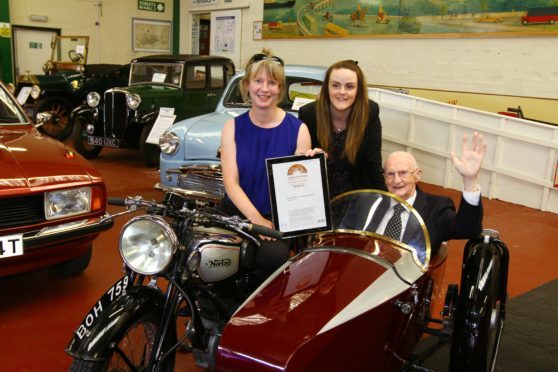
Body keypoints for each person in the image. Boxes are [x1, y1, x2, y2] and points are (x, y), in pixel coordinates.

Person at [220, 49, 312, 284]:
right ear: (247, 85)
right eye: (258, 81)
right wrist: (255, 221)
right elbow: (231, 182)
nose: (264, 89)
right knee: (208, 252)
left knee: (274, 258)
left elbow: (299, 188)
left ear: (280, 88)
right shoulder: (232, 127)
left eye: (272, 83)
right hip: (237, 214)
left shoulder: (298, 129)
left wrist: (312, 167)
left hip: (277, 220)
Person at [378, 132, 486, 256]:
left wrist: (470, 180)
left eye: (403, 173)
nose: (396, 180)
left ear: (417, 174)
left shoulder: (436, 208)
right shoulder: (373, 203)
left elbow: (468, 229)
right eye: (390, 174)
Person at [299, 59, 386, 198]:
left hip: (357, 199)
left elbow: (373, 166)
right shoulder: (308, 114)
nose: (342, 92)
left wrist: (388, 202)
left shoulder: (370, 113)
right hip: (320, 197)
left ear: (359, 90)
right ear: (327, 87)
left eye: (350, 87)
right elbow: (301, 166)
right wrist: (312, 160)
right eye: (335, 85)